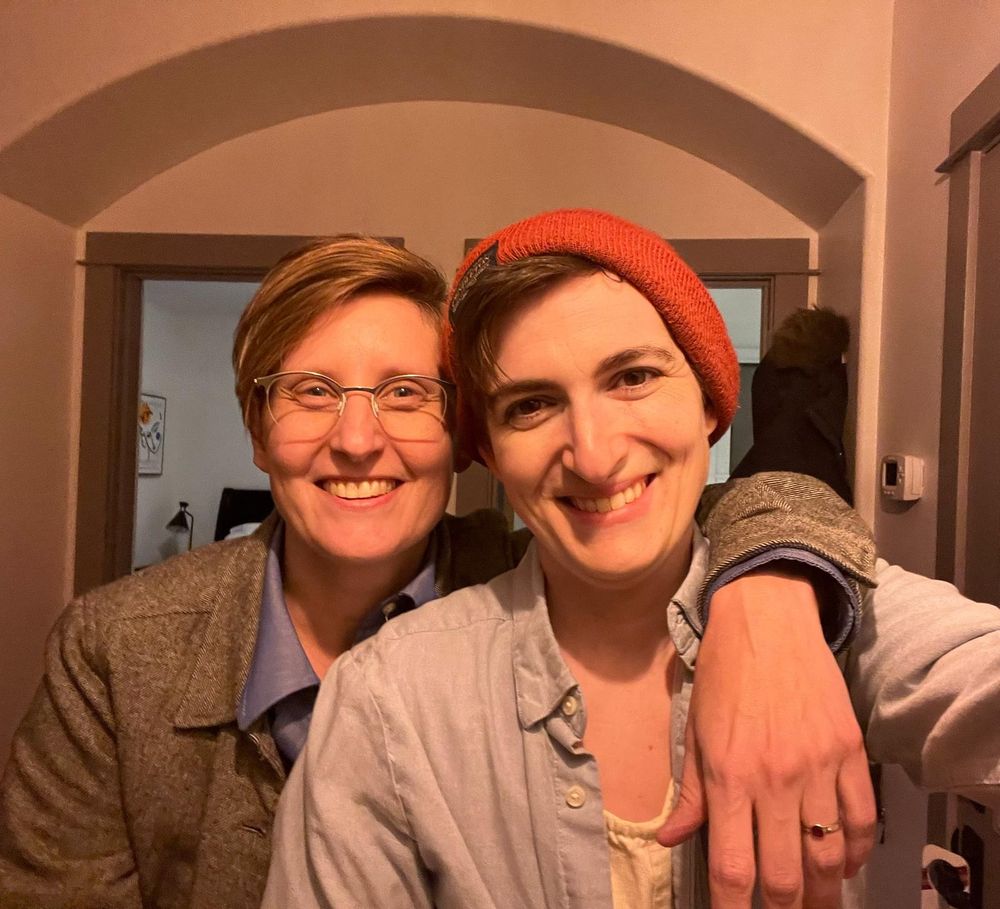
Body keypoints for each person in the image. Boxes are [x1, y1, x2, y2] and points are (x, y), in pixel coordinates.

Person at [1, 235, 875, 909]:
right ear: (258, 429)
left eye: (405, 393)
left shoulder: (541, 575)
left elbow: (704, 514)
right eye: (310, 390)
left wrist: (775, 595)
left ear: (466, 439)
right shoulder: (116, 651)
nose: (356, 438)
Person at [265, 211, 1000, 909]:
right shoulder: (388, 702)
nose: (595, 452)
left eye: (633, 377)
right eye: (530, 405)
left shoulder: (834, 612)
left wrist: (779, 598)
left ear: (711, 403)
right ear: (488, 451)